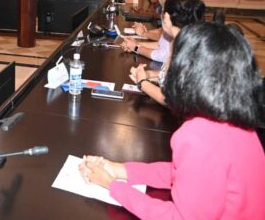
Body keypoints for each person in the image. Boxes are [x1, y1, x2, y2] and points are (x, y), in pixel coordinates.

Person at [80, 22, 265, 219]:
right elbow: (184, 173)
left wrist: (112, 185)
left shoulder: (197, 136)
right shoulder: (238, 121)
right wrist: (120, 169)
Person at [127, 0, 205, 105]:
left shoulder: (185, 49)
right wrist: (149, 75)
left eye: (162, 11)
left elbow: (171, 100)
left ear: (167, 17)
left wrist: (142, 83)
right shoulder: (182, 40)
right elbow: (173, 77)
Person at [123, 0, 192, 62]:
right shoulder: (182, 14)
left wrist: (136, 47)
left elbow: (162, 54)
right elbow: (162, 44)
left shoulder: (174, 20)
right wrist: (137, 43)